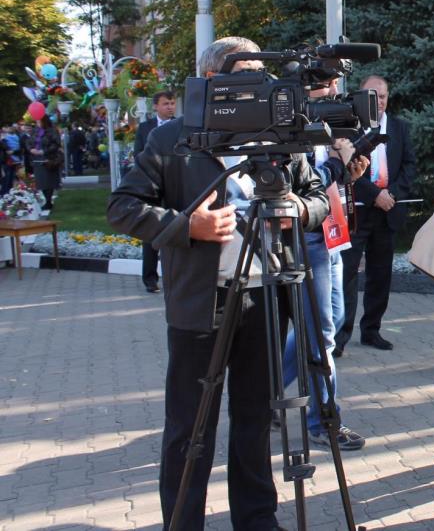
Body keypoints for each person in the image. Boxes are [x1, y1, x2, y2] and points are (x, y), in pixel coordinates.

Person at [107, 37, 330, 530]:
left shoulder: (278, 132)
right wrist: (189, 227)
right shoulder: (172, 139)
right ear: (211, 80)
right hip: (201, 305)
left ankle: (256, 519)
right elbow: (122, 207)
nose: (256, 87)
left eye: (260, 76)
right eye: (243, 76)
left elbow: (317, 195)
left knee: (253, 421)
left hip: (267, 298)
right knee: (191, 427)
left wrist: (296, 210)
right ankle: (182, 523)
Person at [279, 76, 369, 450]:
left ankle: (260, 395)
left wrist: (348, 171)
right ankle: (323, 422)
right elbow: (304, 184)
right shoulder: (289, 130)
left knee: (314, 332)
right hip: (307, 241)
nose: (333, 96)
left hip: (332, 236)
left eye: (335, 89)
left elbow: (323, 186)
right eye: (324, 90)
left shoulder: (329, 129)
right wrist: (335, 163)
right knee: (322, 334)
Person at [338, 75, 417, 352]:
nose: (379, 102)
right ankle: (340, 336)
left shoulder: (400, 127)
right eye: (372, 96)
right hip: (358, 211)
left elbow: (409, 166)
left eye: (382, 96)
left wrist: (391, 194)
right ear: (361, 98)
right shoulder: (348, 130)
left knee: (380, 274)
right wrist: (376, 195)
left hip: (388, 212)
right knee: (347, 274)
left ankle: (371, 331)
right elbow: (345, 169)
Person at [134, 90, 178, 294]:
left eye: (172, 103)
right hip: (154, 187)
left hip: (177, 186)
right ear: (156, 106)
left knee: (177, 230)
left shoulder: (182, 126)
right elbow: (138, 155)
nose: (170, 107)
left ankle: (176, 277)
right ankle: (150, 279)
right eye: (166, 103)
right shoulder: (145, 128)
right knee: (152, 232)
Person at [30, 116, 62, 210]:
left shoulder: (52, 131)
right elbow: (30, 141)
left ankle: (48, 201)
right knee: (41, 182)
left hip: (48, 159)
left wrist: (44, 151)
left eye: (39, 121)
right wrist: (31, 149)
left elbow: (56, 144)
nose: (37, 123)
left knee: (48, 181)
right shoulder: (35, 131)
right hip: (36, 159)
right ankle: (47, 200)